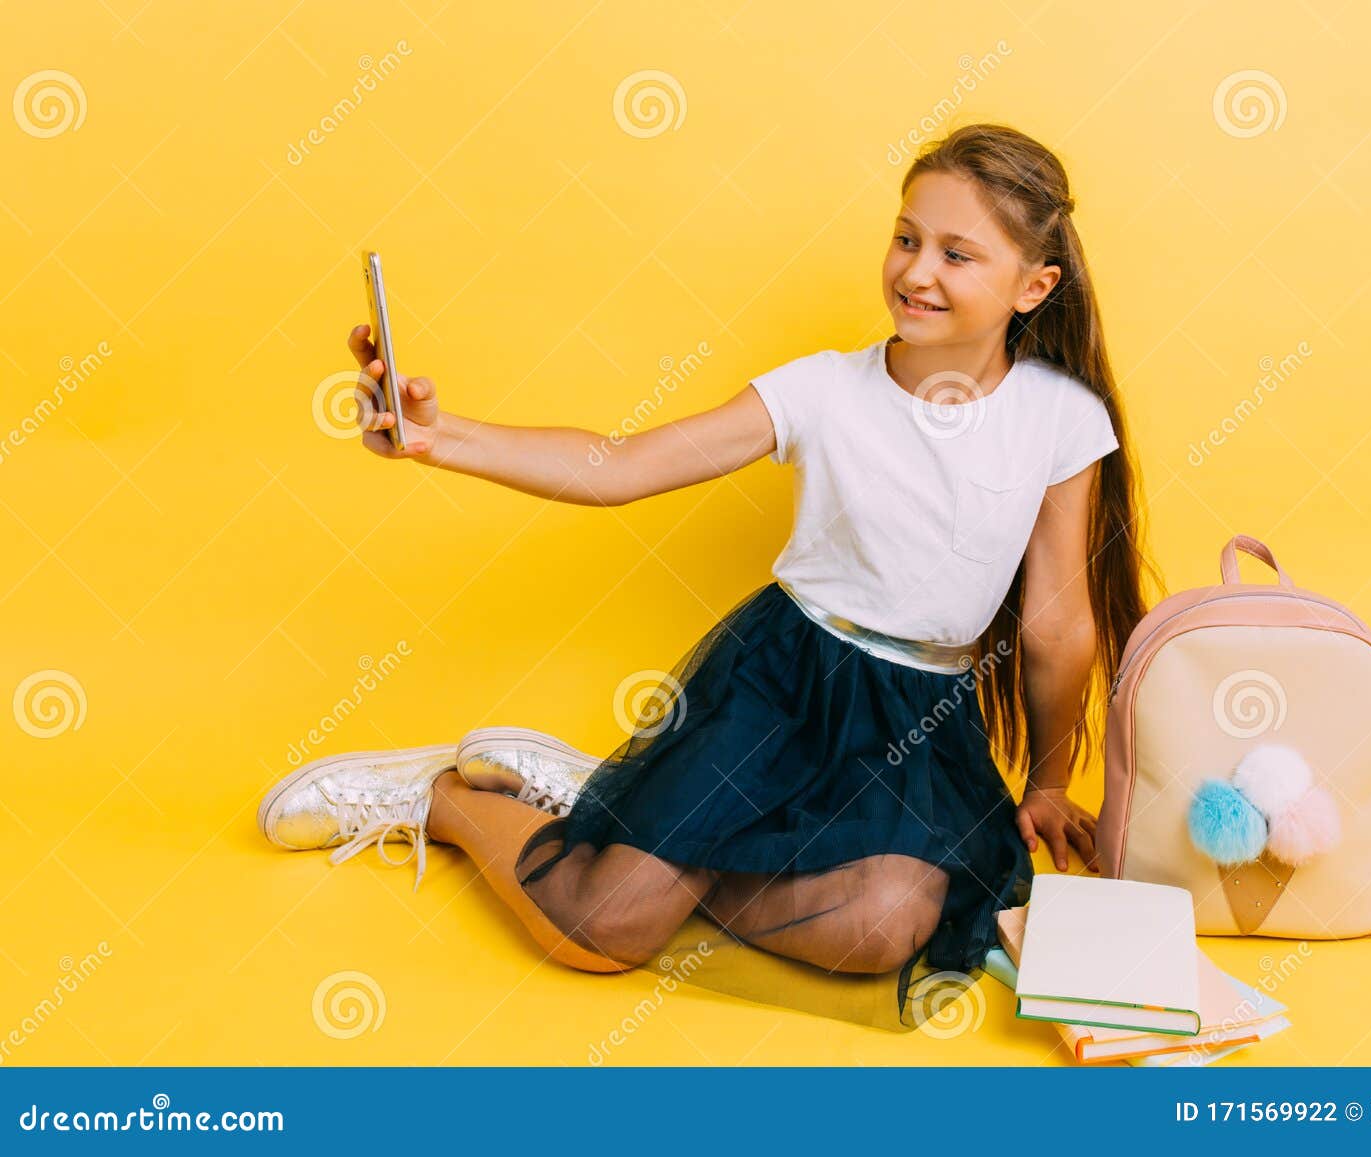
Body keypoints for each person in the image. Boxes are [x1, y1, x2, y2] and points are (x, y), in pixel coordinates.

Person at [259, 121, 1153, 1030]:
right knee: (601, 926)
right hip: (782, 683)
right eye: (906, 237)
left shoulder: (1060, 418)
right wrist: (441, 438)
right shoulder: (823, 390)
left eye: (958, 254)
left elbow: (1056, 624)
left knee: (882, 927)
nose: (917, 271)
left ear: (1033, 286)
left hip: (915, 722)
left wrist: (1048, 780)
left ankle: (620, 812)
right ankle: (447, 799)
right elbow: (619, 466)